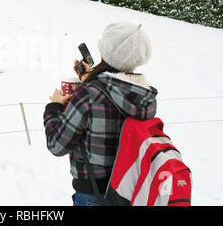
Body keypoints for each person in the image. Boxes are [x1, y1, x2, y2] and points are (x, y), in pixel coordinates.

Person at [43, 21, 158, 206]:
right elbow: (114, 93)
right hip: (129, 192)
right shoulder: (146, 96)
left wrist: (53, 107)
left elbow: (56, 145)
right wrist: (92, 78)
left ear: (105, 52)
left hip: (93, 195)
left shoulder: (89, 94)